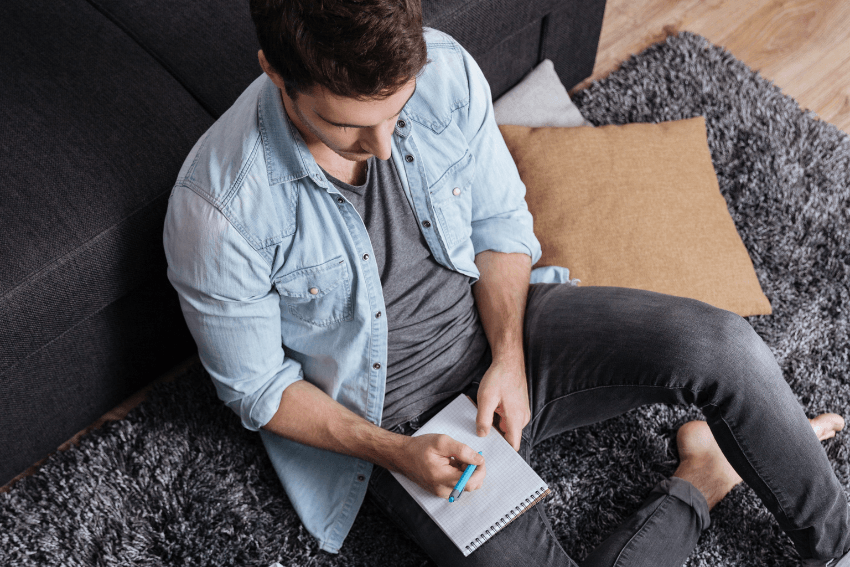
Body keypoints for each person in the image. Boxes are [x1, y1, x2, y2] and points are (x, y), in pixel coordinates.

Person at [162, 1, 850, 565]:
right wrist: (398, 453)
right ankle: (699, 477)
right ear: (275, 74)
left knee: (722, 344)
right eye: (347, 126)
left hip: (511, 330)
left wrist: (511, 357)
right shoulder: (217, 209)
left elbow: (500, 226)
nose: (381, 147)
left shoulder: (444, 70)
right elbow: (258, 390)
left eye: (394, 115)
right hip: (393, 418)